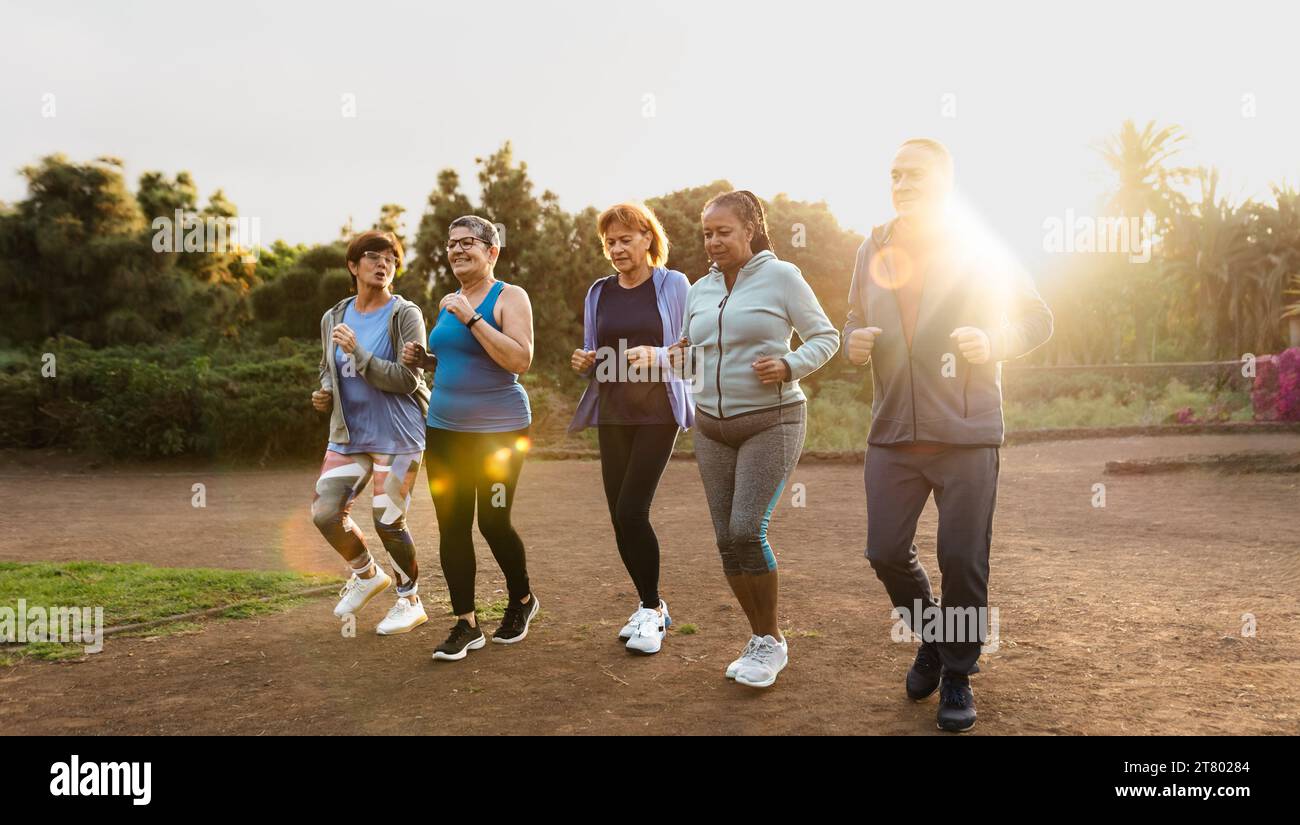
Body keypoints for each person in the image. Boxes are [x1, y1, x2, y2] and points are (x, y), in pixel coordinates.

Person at [843, 138, 1053, 731]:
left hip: (966, 431)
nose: (901, 184)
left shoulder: (981, 244)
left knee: (961, 559)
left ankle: (957, 672)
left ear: (945, 182)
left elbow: (1038, 316)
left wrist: (997, 342)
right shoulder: (874, 245)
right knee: (884, 551)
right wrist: (852, 338)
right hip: (892, 430)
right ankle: (935, 637)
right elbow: (855, 315)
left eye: (913, 175)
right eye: (893, 175)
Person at [670, 190, 839, 687]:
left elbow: (826, 337)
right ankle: (760, 637)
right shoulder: (700, 289)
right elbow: (692, 349)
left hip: (772, 420)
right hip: (711, 427)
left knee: (747, 529)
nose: (714, 241)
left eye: (724, 231)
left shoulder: (783, 277)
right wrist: (679, 357)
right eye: (707, 233)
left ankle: (771, 641)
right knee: (726, 541)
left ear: (750, 230)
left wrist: (790, 364)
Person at [401, 216, 538, 662]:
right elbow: (462, 361)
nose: (458, 250)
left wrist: (473, 317)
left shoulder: (509, 296)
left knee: (493, 521)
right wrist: (426, 359)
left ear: (492, 251)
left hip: (499, 434)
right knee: (452, 526)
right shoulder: (450, 302)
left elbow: (518, 359)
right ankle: (466, 623)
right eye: (451, 243)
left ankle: (521, 601)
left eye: (468, 243)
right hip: (444, 430)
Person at [569, 202, 693, 655]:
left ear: (647, 238)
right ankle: (649, 607)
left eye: (626, 239)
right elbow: (591, 351)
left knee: (631, 511)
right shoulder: (598, 291)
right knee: (618, 513)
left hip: (658, 410)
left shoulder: (674, 284)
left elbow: (694, 349)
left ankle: (652, 609)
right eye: (610, 242)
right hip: (613, 411)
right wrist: (583, 362)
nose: (617, 248)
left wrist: (659, 356)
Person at [312, 230, 431, 636]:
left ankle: (409, 600)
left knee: (388, 520)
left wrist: (359, 354)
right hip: (350, 435)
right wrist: (325, 392)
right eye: (373, 257)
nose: (383, 264)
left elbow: (407, 380)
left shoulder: (405, 314)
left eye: (391, 259)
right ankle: (366, 574)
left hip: (399, 434)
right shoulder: (333, 317)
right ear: (353, 265)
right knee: (326, 512)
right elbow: (329, 366)